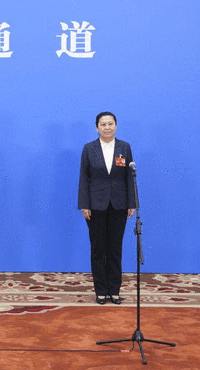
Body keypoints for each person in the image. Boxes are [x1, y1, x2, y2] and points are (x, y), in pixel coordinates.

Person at [78, 112, 136, 305]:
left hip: (119, 205)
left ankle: (114, 290)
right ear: (97, 128)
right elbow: (84, 178)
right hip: (95, 206)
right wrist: (84, 204)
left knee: (115, 249)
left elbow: (129, 177)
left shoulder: (124, 147)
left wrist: (132, 202)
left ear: (116, 126)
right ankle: (101, 290)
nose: (107, 127)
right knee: (98, 249)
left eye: (111, 124)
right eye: (103, 124)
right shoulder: (89, 148)